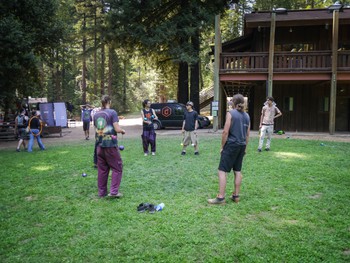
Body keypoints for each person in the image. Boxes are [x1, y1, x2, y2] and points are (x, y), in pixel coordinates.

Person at [208, 94, 250, 205]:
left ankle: (220, 198)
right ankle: (236, 196)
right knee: (237, 171)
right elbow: (247, 135)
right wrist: (245, 148)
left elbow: (225, 132)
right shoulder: (247, 116)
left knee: (222, 171)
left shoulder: (230, 113)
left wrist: (222, 146)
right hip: (241, 146)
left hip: (231, 145)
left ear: (234, 103)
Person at [94, 95, 125, 198]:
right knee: (117, 167)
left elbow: (98, 128)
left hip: (99, 145)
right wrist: (122, 130)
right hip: (110, 145)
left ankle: (102, 193)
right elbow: (116, 128)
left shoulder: (96, 114)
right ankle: (114, 192)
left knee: (102, 170)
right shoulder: (112, 112)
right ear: (109, 102)